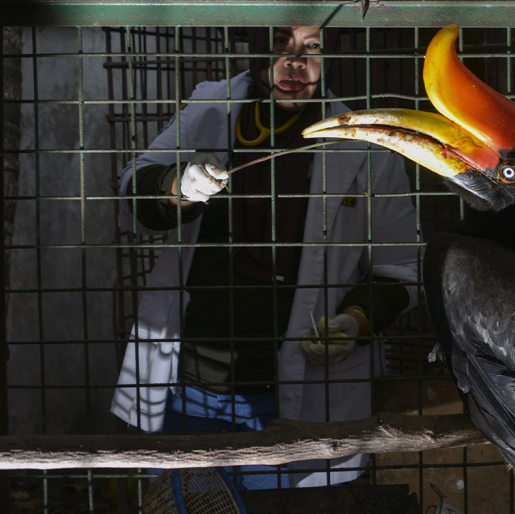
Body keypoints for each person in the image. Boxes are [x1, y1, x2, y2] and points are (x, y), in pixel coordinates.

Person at [109, 26, 419, 489]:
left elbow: (401, 267)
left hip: (298, 399)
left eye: (311, 48)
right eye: (279, 45)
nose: (294, 63)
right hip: (186, 388)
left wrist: (356, 320)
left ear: (330, 58)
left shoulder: (365, 143)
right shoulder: (210, 106)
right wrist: (179, 187)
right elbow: (133, 190)